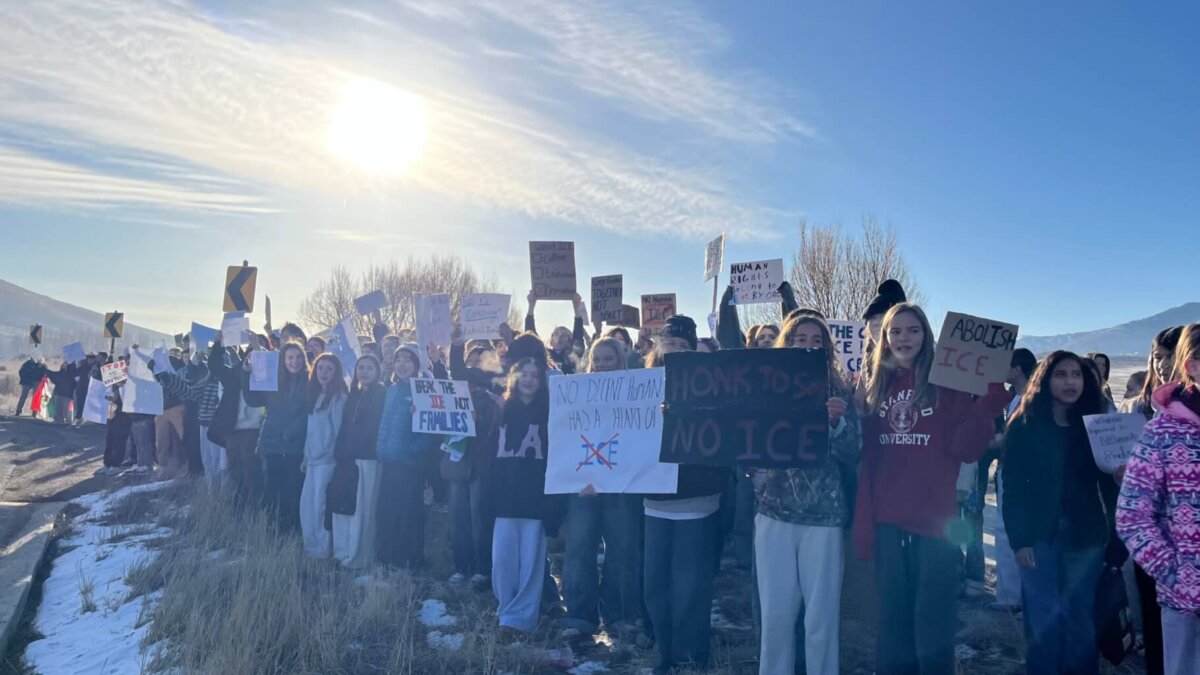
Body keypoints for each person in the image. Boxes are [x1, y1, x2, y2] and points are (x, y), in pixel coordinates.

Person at [854, 302, 1007, 675]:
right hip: (888, 519)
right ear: (884, 338)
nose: (904, 338)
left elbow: (965, 449)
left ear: (927, 335)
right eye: (895, 331)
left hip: (935, 522)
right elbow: (869, 460)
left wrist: (985, 408)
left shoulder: (949, 386)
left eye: (913, 330)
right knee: (892, 617)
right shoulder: (875, 386)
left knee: (933, 618)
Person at [754, 312, 862, 675]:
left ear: (827, 348)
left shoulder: (841, 390)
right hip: (774, 513)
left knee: (821, 618)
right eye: (800, 339)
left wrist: (838, 422)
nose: (808, 345)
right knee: (776, 615)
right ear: (788, 342)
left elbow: (854, 452)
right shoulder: (765, 388)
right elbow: (743, 441)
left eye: (816, 340)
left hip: (824, 517)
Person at [1002, 351, 1120, 674]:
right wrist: (1019, 540)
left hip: (1086, 537)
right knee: (1043, 621)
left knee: (1080, 618)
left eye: (1077, 375)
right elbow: (1012, 486)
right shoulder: (1025, 424)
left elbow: (1109, 487)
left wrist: (1119, 477)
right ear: (1045, 379)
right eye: (1061, 375)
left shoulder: (1097, 425)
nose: (1071, 382)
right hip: (1038, 538)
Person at [643, 316, 728, 674]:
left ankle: (689, 657)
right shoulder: (643, 386)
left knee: (690, 586)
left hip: (696, 498)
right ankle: (665, 650)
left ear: (692, 349)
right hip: (654, 498)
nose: (674, 350)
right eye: (669, 343)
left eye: (681, 345)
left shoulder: (711, 387)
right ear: (659, 347)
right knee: (655, 584)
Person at [1117, 323, 1200, 675]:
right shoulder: (1163, 432)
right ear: (1191, 365)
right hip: (1187, 607)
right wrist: (1182, 578)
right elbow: (1132, 517)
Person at [559, 337, 645, 641]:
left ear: (620, 361)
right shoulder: (576, 393)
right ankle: (580, 616)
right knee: (579, 548)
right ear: (590, 362)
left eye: (609, 359)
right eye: (598, 359)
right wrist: (577, 476)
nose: (603, 365)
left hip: (623, 485)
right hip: (583, 485)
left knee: (622, 550)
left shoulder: (636, 393)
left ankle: (618, 615)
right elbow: (566, 438)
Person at [490, 357, 557, 635]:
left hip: (535, 498)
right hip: (505, 497)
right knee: (503, 560)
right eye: (524, 374)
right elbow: (489, 457)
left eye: (535, 375)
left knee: (531, 561)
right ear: (514, 378)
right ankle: (506, 610)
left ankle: (523, 618)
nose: (529, 379)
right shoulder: (503, 411)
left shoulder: (550, 414)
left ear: (542, 382)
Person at [375, 344, 440, 570]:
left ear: (416, 365)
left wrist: (412, 450)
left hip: (410, 464)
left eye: (408, 360)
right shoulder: (391, 390)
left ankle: (410, 559)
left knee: (408, 514)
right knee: (388, 511)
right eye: (398, 360)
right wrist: (380, 449)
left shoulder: (424, 389)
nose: (402, 365)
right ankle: (388, 556)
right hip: (388, 461)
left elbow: (431, 431)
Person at [242, 341, 310, 532]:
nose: (294, 361)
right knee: (271, 491)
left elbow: (308, 414)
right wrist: (246, 373)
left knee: (292, 491)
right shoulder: (272, 382)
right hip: (271, 446)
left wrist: (293, 430)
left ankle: (292, 530)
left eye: (298, 357)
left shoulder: (309, 383)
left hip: (295, 448)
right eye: (290, 358)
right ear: (283, 360)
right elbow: (252, 399)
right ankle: (273, 532)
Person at [327, 354, 388, 567]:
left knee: (363, 509)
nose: (364, 371)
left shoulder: (382, 394)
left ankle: (359, 555)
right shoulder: (354, 394)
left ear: (377, 371)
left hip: (368, 459)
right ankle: (342, 551)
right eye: (361, 367)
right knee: (344, 507)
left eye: (370, 367)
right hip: (347, 460)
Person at [989, 348, 1037, 612]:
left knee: (1009, 531)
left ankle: (1012, 596)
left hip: (1018, 475)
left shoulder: (1030, 399)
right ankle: (1010, 593)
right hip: (1008, 469)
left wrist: (1000, 441)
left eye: (1007, 365)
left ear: (1017, 368)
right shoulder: (1014, 398)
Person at [299, 353, 348, 558]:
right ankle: (310, 544)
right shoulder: (315, 396)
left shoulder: (339, 399)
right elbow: (310, 431)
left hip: (328, 461)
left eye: (329, 369)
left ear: (336, 372)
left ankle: (322, 548)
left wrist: (334, 457)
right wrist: (305, 456)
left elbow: (338, 432)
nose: (324, 373)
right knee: (308, 505)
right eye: (320, 368)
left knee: (321, 506)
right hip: (312, 460)